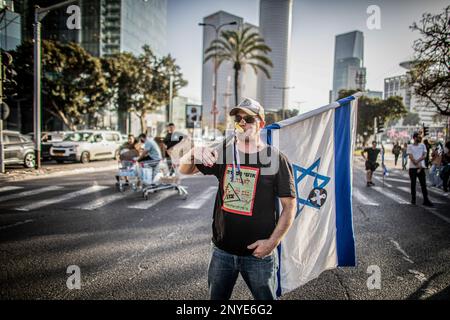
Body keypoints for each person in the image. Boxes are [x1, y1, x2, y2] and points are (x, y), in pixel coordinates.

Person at [179, 98, 296, 300]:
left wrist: (272, 242)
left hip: (259, 255)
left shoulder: (276, 159)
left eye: (248, 118)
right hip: (222, 251)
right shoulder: (224, 152)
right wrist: (193, 152)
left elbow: (290, 206)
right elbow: (184, 169)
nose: (242, 123)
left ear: (261, 123)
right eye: (238, 118)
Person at [407, 132, 433, 206]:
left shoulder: (422, 145)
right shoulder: (410, 146)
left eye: (420, 137)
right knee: (413, 184)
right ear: (414, 138)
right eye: (418, 137)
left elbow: (424, 155)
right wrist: (417, 164)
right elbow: (411, 157)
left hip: (421, 168)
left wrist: (418, 163)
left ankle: (426, 200)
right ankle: (413, 200)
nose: (420, 138)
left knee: (423, 184)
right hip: (412, 168)